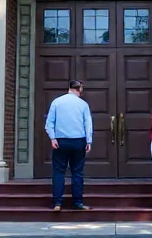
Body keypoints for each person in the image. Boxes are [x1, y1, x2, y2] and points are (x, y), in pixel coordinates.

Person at [45, 80, 92, 212]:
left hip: (61, 141)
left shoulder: (57, 102)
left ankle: (57, 202)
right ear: (80, 89)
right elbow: (87, 124)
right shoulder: (83, 104)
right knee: (77, 172)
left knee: (58, 171)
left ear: (69, 88)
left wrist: (52, 138)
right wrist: (89, 141)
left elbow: (49, 122)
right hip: (79, 141)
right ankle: (78, 202)